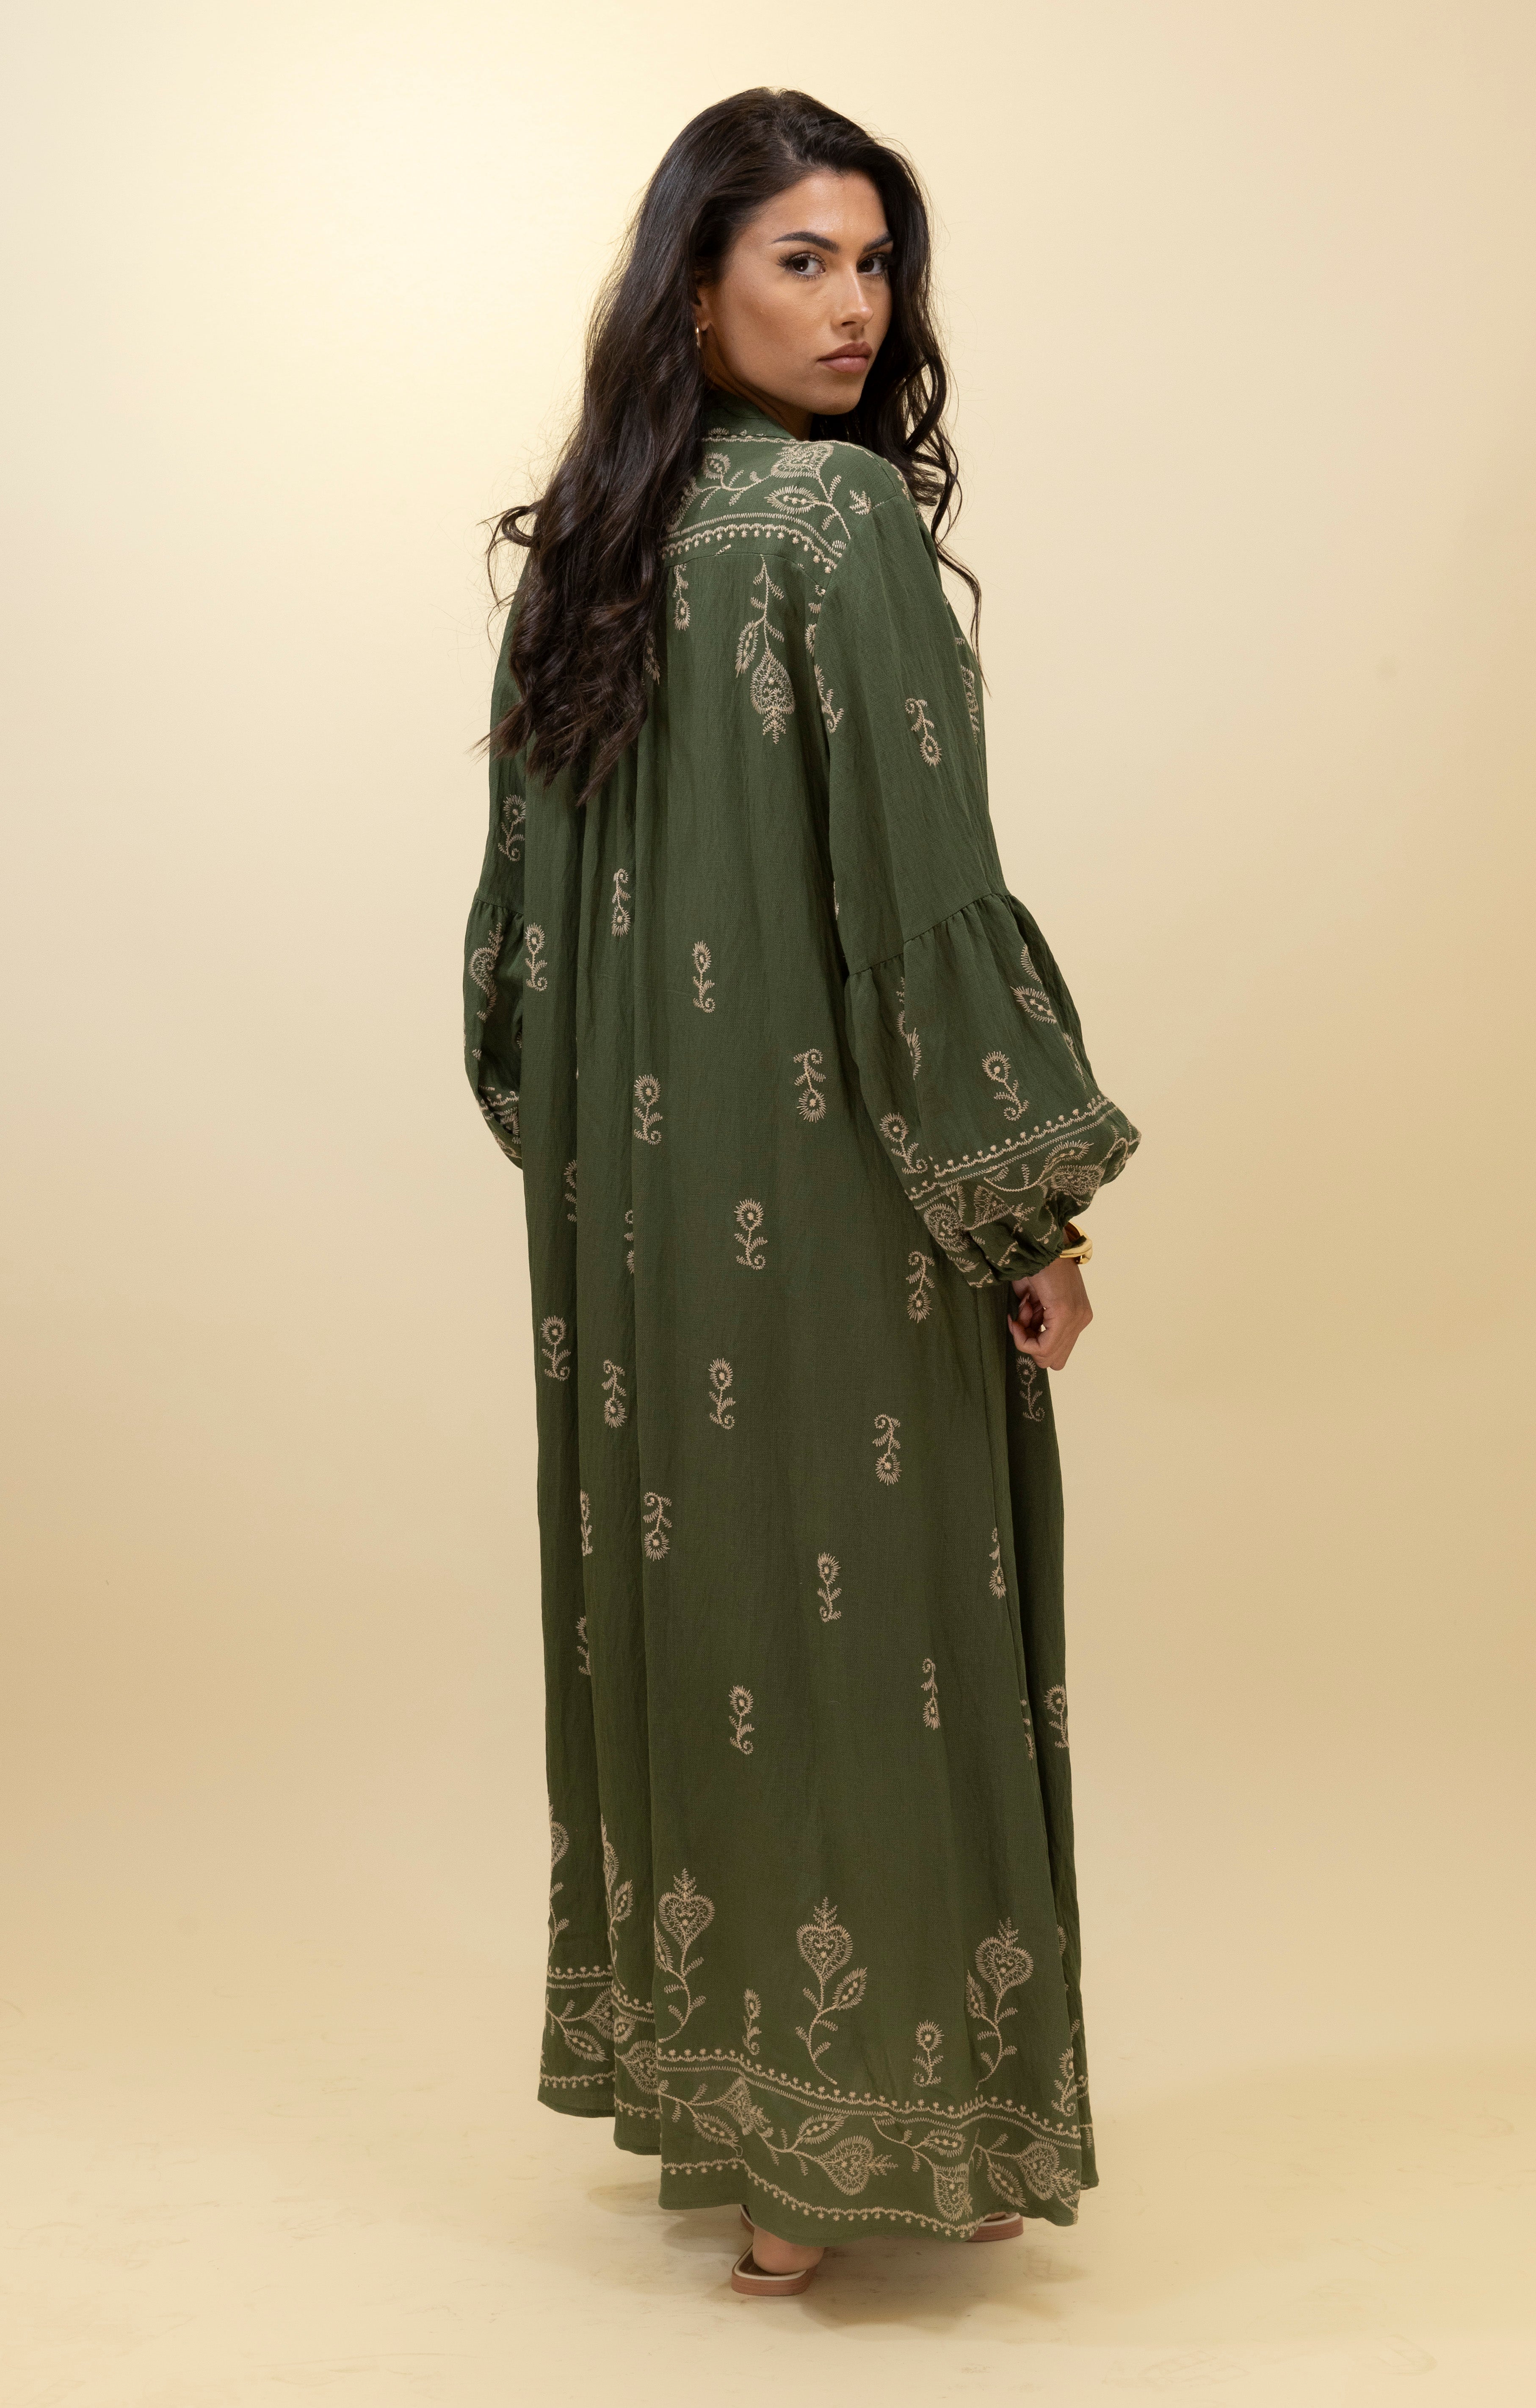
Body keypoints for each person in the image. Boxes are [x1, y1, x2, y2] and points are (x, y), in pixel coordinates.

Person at [462, 86, 1140, 2298]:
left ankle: (764, 2152)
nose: (858, 307)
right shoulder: (837, 522)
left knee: (716, 1631)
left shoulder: (591, 545)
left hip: (644, 1223)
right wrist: (1027, 1210)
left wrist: (619, 1164)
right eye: (803, 261)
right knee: (879, 1645)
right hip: (849, 1204)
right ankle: (889, 2139)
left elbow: (513, 961)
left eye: (876, 263)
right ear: (695, 286)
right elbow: (920, 894)